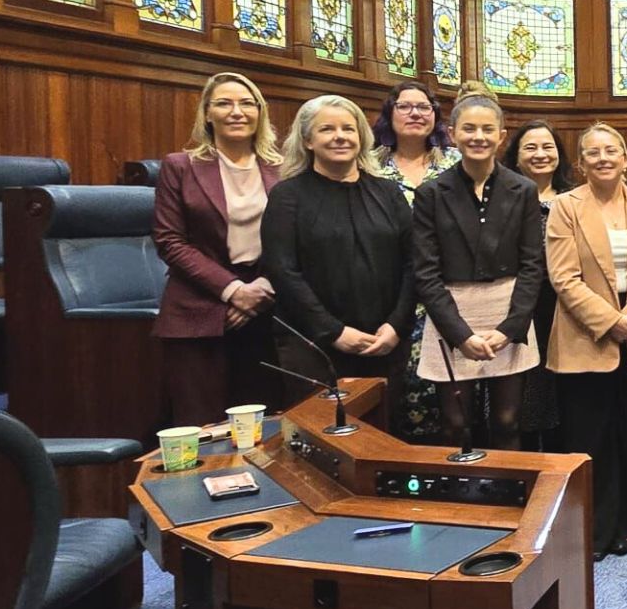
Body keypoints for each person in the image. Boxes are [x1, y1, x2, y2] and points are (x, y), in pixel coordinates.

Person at [547, 124, 627, 558]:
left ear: (626, 158)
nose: (602, 158)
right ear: (580, 162)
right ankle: (595, 531)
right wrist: (609, 320)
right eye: (592, 152)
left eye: (610, 150)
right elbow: (563, 277)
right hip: (586, 336)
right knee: (590, 439)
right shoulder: (565, 207)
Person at [261, 95, 414, 424]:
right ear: (307, 140)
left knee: (382, 441)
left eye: (349, 128)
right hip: (314, 346)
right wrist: (333, 331)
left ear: (361, 137)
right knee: (322, 441)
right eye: (326, 129)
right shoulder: (287, 195)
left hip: (384, 343)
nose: (340, 136)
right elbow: (283, 270)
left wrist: (396, 326)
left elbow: (413, 264)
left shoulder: (389, 193)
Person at [412, 91, 545, 452]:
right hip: (452, 312)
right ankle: (463, 503)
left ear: (502, 135)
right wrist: (460, 334)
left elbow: (533, 264)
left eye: (488, 129)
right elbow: (425, 272)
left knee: (507, 421)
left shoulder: (523, 190)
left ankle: (508, 501)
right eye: (469, 129)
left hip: (508, 309)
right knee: (456, 425)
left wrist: (510, 328)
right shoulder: (431, 193)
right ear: (452, 133)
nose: (478, 137)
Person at [152, 72, 283, 425]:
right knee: (201, 424)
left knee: (264, 424)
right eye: (224, 103)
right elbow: (169, 240)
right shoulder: (180, 166)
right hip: (199, 307)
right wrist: (233, 290)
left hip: (267, 304)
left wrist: (262, 289)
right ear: (207, 114)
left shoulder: (281, 168)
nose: (236, 112)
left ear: (260, 112)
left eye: (246, 103)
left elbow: (295, 239)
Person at [370, 82, 459, 440]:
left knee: (450, 392)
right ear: (389, 115)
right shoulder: (371, 165)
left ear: (435, 116)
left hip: (447, 289)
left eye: (424, 107)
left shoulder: (454, 163)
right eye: (405, 106)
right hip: (390, 290)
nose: (415, 113)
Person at [506, 120, 573, 449]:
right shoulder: (500, 197)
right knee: (523, 398)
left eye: (548, 147)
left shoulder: (575, 199)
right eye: (530, 147)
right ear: (516, 157)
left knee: (563, 397)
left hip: (565, 308)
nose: (541, 154)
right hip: (517, 308)